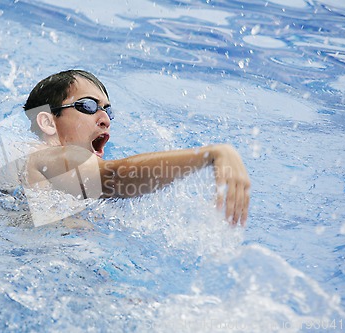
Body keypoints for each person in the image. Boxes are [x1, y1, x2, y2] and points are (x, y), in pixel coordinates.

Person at [18, 69, 251, 227]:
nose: (105, 119)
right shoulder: (47, 156)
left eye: (108, 111)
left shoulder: (27, 166)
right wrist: (210, 155)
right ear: (48, 122)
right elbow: (112, 177)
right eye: (88, 106)